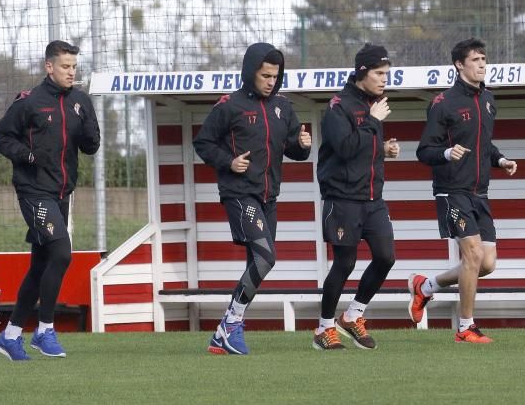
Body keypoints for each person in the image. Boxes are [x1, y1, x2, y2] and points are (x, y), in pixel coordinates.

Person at [192, 43, 311, 355]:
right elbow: (203, 142)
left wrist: (303, 144)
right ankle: (230, 324)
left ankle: (222, 337)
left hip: (269, 197)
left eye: (275, 75)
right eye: (265, 75)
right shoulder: (230, 105)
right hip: (239, 193)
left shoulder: (283, 107)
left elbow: (295, 150)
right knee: (266, 258)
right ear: (251, 72)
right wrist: (228, 162)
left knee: (257, 264)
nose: (271, 81)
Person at [0, 40, 100, 361]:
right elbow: (0, 136)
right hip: (33, 191)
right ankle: (44, 330)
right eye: (65, 66)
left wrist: (89, 120)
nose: (71, 72)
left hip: (62, 193)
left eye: (74, 67)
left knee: (41, 265)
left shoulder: (79, 101)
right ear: (49, 67)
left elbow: (91, 146)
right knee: (62, 253)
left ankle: (10, 336)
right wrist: (26, 154)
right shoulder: (30, 102)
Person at [409, 38, 517, 343]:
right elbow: (424, 150)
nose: (482, 64)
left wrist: (501, 160)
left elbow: (484, 144)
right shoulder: (443, 103)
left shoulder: (488, 100)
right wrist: (446, 153)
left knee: (487, 263)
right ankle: (465, 327)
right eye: (476, 59)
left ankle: (425, 286)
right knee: (472, 254)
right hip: (451, 191)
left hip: (479, 193)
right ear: (459, 64)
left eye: (484, 59)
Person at [313, 44, 398, 351]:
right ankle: (323, 328)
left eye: (386, 73)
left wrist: (384, 150)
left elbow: (363, 148)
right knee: (345, 263)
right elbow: (346, 148)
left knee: (386, 256)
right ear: (362, 72)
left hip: (373, 198)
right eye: (379, 73)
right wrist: (373, 122)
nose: (384, 79)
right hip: (342, 198)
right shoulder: (339, 105)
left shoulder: (372, 104)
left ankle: (353, 315)